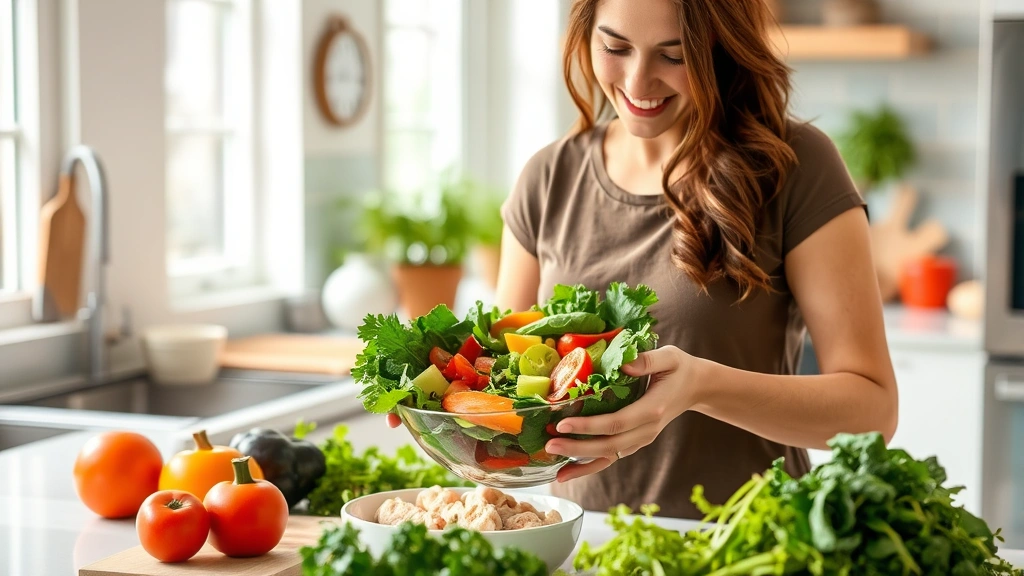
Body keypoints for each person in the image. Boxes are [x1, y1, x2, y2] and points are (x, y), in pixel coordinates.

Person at [391, 0, 898, 519]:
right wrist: (442, 409)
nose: (638, 80)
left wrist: (701, 386)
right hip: (578, 548)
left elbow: (873, 411)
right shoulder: (548, 179)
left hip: (743, 548)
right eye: (615, 47)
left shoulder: (796, 167)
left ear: (722, 51)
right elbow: (509, 399)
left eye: (674, 56)